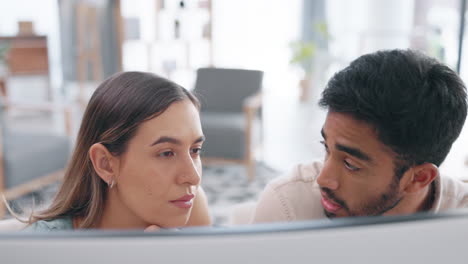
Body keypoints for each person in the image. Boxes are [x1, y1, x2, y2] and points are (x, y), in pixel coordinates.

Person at [253, 49, 468, 223]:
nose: (323, 179)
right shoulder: (288, 207)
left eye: (350, 164)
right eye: (327, 147)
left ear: (418, 178)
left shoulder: (460, 222)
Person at [24, 71, 210, 230]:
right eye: (166, 153)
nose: (193, 178)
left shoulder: (190, 206)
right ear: (106, 164)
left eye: (195, 150)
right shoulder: (37, 250)